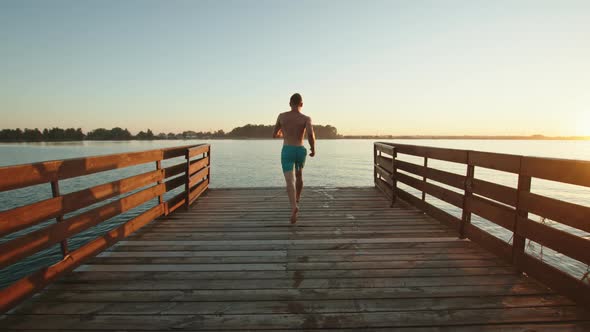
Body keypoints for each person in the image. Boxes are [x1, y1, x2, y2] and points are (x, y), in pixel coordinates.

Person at [272, 93, 316, 224]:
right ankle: (297, 199)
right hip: (300, 150)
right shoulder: (306, 118)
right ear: (301, 104)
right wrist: (313, 149)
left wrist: (283, 134)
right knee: (299, 175)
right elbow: (310, 134)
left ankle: (293, 207)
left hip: (287, 150)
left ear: (290, 103)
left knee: (289, 180)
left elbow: (274, 134)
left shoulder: (282, 116)